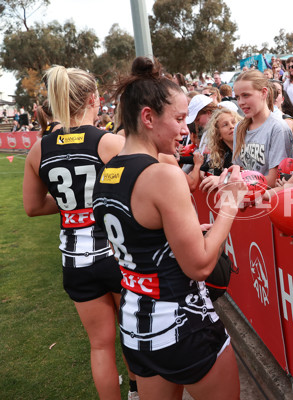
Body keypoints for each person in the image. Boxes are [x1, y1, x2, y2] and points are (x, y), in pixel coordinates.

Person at [92, 57, 245, 400]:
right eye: (178, 119)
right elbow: (201, 265)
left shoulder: (108, 171)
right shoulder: (163, 174)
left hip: (135, 327)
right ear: (148, 117)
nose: (183, 130)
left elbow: (139, 245)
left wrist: (187, 231)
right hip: (182, 324)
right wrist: (230, 206)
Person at [22, 65, 130, 400]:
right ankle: (138, 393)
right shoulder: (111, 142)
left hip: (75, 261)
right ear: (94, 99)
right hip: (117, 256)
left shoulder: (39, 148)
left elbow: (33, 206)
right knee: (133, 338)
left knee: (100, 346)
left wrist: (76, 207)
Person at [233, 70, 293, 187]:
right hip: (244, 199)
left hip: (268, 201)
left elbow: (273, 180)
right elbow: (237, 170)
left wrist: (232, 183)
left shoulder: (278, 128)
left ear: (264, 92)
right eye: (237, 97)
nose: (240, 102)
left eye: (246, 95)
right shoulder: (239, 128)